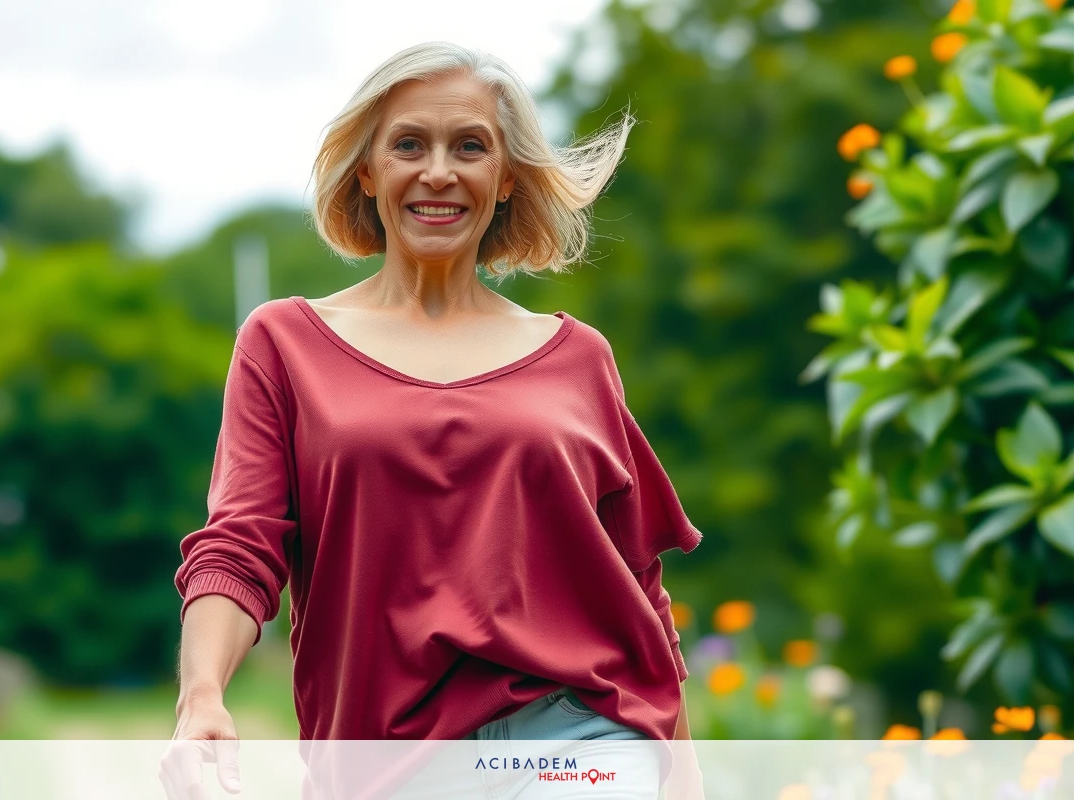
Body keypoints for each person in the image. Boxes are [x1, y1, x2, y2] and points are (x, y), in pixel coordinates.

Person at [164, 41, 704, 799]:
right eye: (409, 145)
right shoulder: (283, 344)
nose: (440, 172)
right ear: (367, 171)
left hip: (577, 736)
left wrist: (684, 779)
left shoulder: (579, 358)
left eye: (470, 147)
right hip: (384, 760)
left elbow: (637, 586)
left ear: (506, 177)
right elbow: (239, 544)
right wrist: (201, 698)